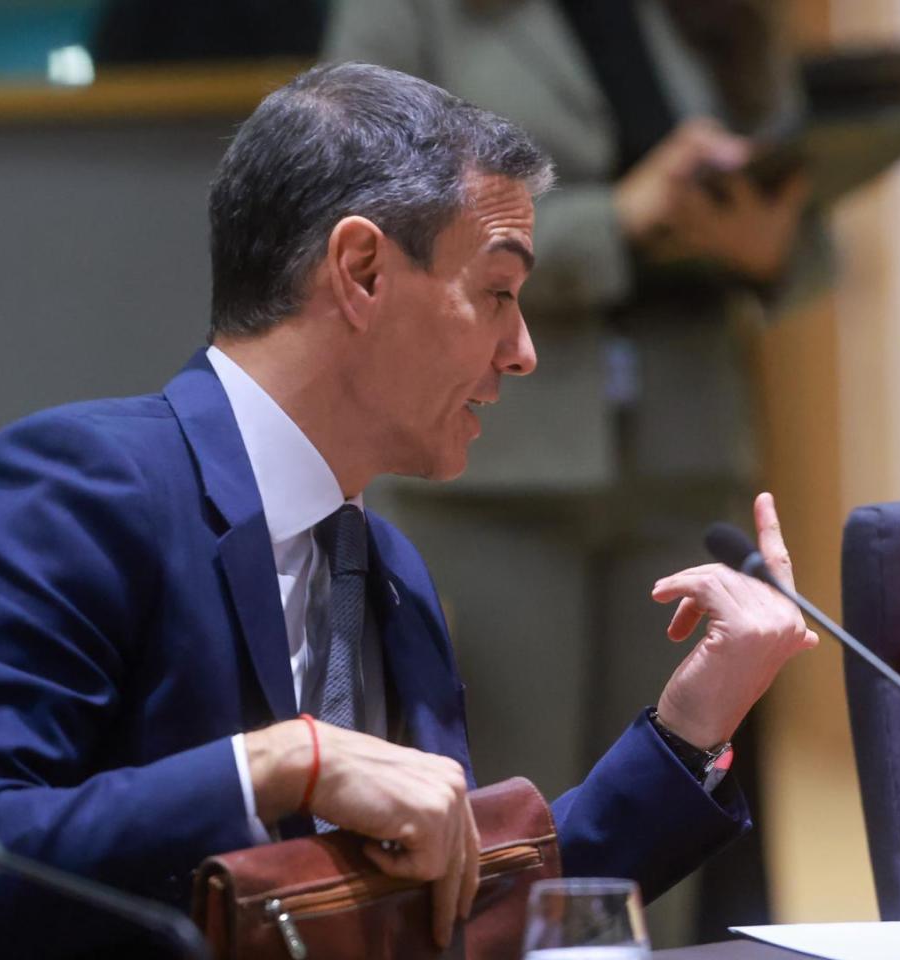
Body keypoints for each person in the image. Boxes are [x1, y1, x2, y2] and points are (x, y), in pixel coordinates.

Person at [0, 62, 816, 959]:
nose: (522, 351)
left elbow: (459, 915)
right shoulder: (80, 490)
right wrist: (276, 766)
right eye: (496, 293)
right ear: (362, 271)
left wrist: (695, 723)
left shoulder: (384, 564)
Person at [322, 0, 819, 935]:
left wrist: (771, 242)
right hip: (495, 468)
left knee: (669, 810)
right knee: (513, 825)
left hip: (686, 448)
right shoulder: (411, 14)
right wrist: (618, 223)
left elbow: (803, 220)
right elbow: (367, 210)